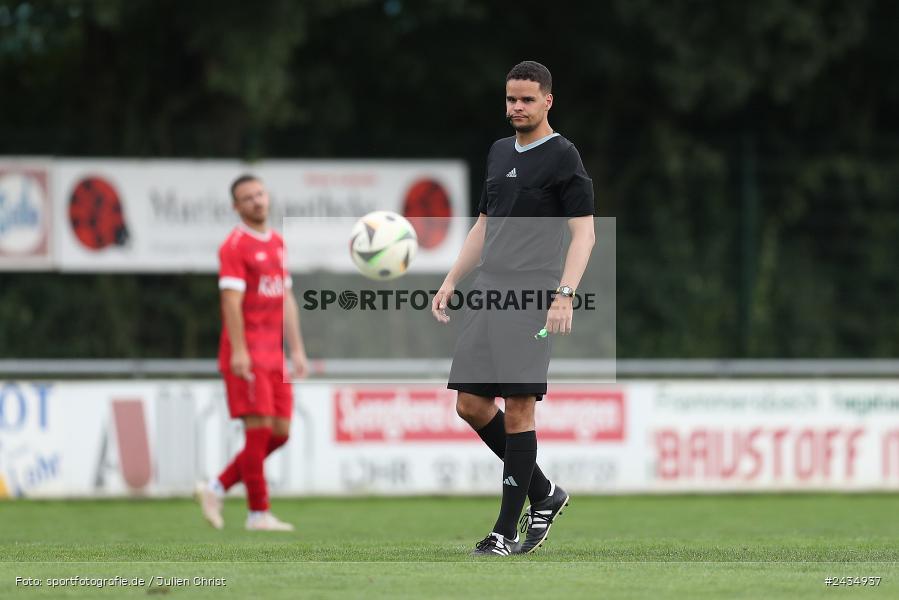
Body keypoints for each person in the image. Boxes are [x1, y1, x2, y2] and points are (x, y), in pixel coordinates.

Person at [432, 61, 595, 556]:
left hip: (532, 295)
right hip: (487, 290)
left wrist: (564, 294)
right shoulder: (499, 151)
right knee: (471, 404)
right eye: (510, 99)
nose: (516, 108)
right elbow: (484, 224)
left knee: (520, 408)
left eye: (526, 99)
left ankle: (504, 531)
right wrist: (451, 279)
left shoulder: (564, 156)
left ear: (548, 100)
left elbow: (583, 231)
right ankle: (544, 492)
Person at [196, 174, 309, 531]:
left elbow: (286, 297)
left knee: (281, 431)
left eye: (259, 194)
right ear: (236, 207)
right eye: (248, 198)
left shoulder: (277, 241)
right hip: (247, 352)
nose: (257, 201)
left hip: (275, 354)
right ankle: (258, 513)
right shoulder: (234, 246)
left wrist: (298, 349)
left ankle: (215, 487)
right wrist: (240, 351)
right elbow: (230, 300)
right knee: (258, 430)